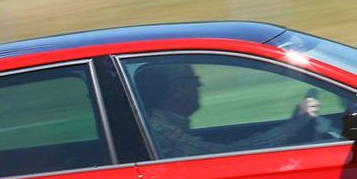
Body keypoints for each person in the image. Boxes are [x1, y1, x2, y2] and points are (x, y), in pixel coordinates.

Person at [135, 62, 320, 159]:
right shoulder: (161, 131)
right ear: (178, 89)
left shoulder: (162, 126)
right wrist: (292, 126)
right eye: (194, 79)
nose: (200, 84)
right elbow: (232, 154)